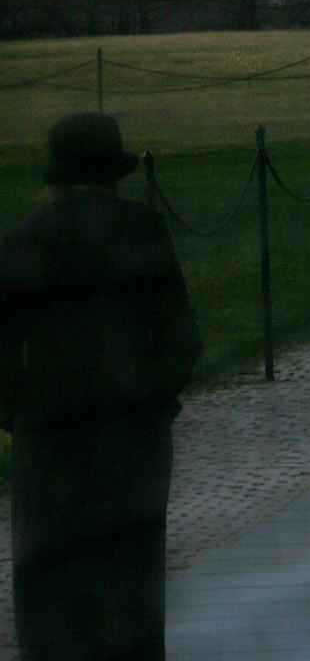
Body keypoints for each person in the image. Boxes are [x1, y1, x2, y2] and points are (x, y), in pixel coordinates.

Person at [0, 112, 201, 661]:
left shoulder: (26, 238)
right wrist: (153, 398)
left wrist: (21, 412)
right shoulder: (142, 230)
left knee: (49, 591)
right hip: (133, 434)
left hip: (51, 438)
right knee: (132, 583)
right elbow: (180, 335)